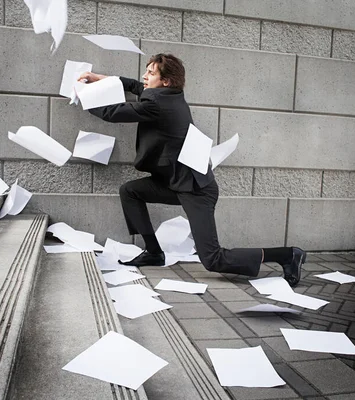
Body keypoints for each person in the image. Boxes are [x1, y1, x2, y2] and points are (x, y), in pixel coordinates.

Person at [78, 54, 306, 287]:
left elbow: (112, 113)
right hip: (176, 183)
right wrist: (101, 78)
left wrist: (83, 94)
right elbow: (136, 86)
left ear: (165, 81)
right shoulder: (170, 95)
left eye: (151, 73)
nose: (144, 77)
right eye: (146, 71)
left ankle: (287, 255)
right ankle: (154, 253)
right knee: (130, 191)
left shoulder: (156, 103)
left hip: (197, 190)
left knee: (213, 259)